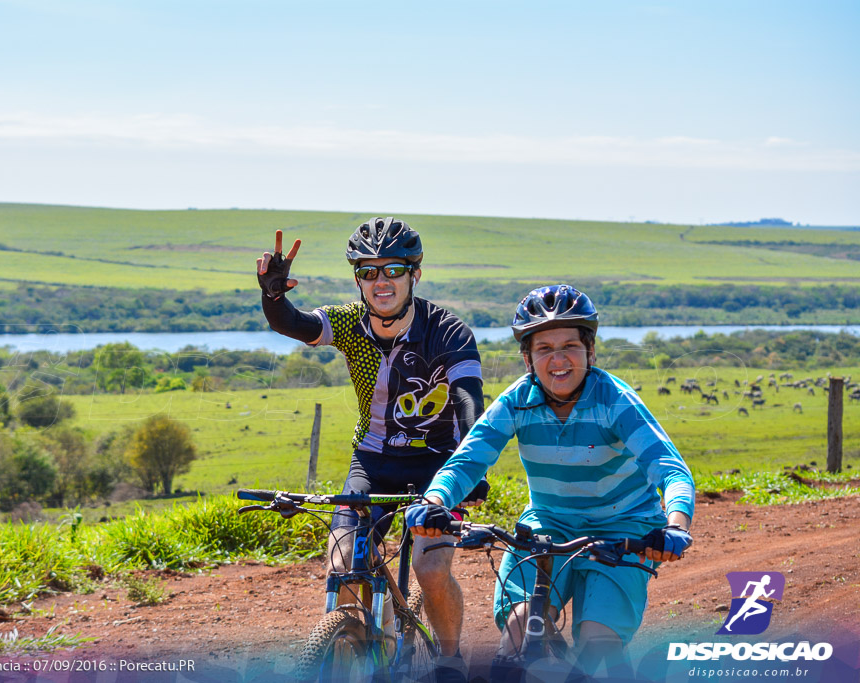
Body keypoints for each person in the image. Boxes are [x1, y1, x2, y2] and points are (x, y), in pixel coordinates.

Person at [406, 284, 694, 680]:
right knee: (517, 633)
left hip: (624, 529)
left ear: (590, 351)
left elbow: (669, 467)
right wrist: (435, 501)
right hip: (548, 524)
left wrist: (675, 527)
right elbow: (468, 460)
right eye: (543, 349)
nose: (558, 360)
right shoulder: (518, 400)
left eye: (570, 347)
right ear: (528, 358)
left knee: (598, 644)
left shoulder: (615, 400)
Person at [257, 217, 487, 681]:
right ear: (358, 278)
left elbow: (467, 402)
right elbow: (295, 324)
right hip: (372, 460)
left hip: (438, 466)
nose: (380, 281)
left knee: (431, 565)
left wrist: (470, 465)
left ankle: (448, 659)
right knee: (343, 566)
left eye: (392, 270)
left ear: (413, 274)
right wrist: (273, 295)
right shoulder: (349, 321)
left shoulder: (447, 331)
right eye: (368, 271)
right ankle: (366, 651)